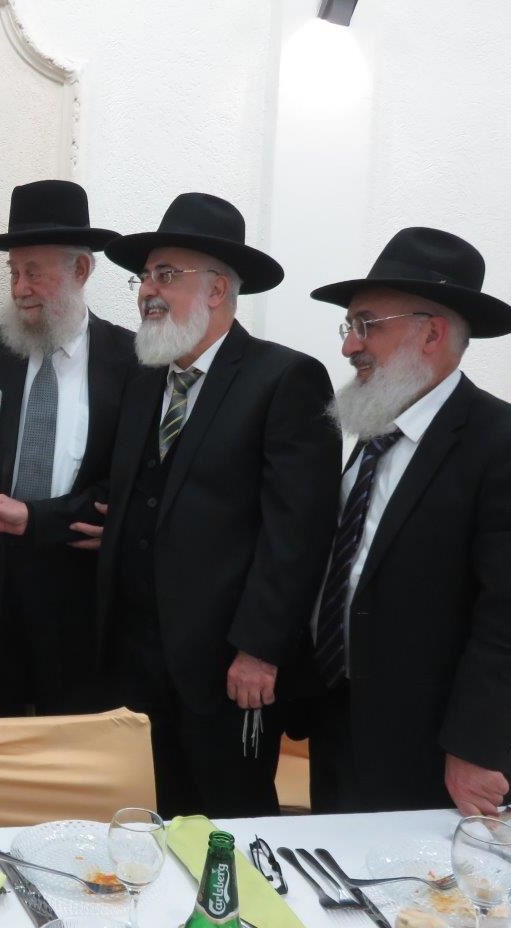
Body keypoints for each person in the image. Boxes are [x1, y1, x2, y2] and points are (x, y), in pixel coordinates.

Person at [306, 226, 511, 815]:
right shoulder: (374, 432)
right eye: (349, 327)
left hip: (442, 753)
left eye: (367, 325)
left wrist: (474, 749)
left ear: (431, 333)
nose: (350, 348)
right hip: (343, 731)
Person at [94, 192, 341, 818]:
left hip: (226, 668)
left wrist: (260, 648)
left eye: (165, 275)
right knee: (143, 823)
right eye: (144, 276)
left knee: (226, 828)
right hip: (134, 662)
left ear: (218, 289)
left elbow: (297, 534)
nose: (148, 291)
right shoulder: (145, 377)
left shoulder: (285, 379)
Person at [0, 179, 136, 717]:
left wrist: (40, 518)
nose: (20, 288)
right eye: (13, 273)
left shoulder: (130, 360)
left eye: (34, 272)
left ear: (81, 270)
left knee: (71, 751)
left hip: (79, 597)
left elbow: (128, 481)